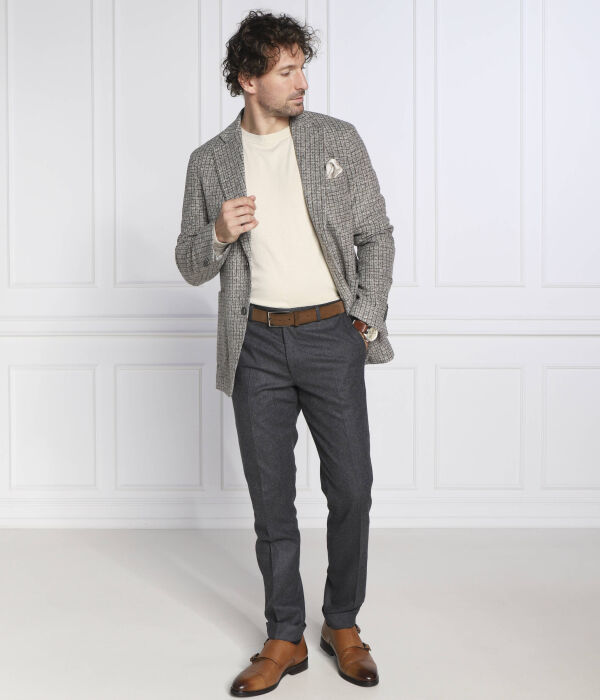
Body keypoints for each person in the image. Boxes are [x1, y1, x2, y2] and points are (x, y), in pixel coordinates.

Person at [175, 10, 395, 696]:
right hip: (257, 345)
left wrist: (363, 318)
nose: (302, 82)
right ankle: (285, 633)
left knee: (352, 488)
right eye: (287, 70)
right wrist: (217, 233)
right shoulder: (209, 161)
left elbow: (376, 235)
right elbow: (189, 263)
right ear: (248, 79)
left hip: (332, 334)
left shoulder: (336, 139)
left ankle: (342, 622)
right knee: (272, 501)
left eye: (303, 68)